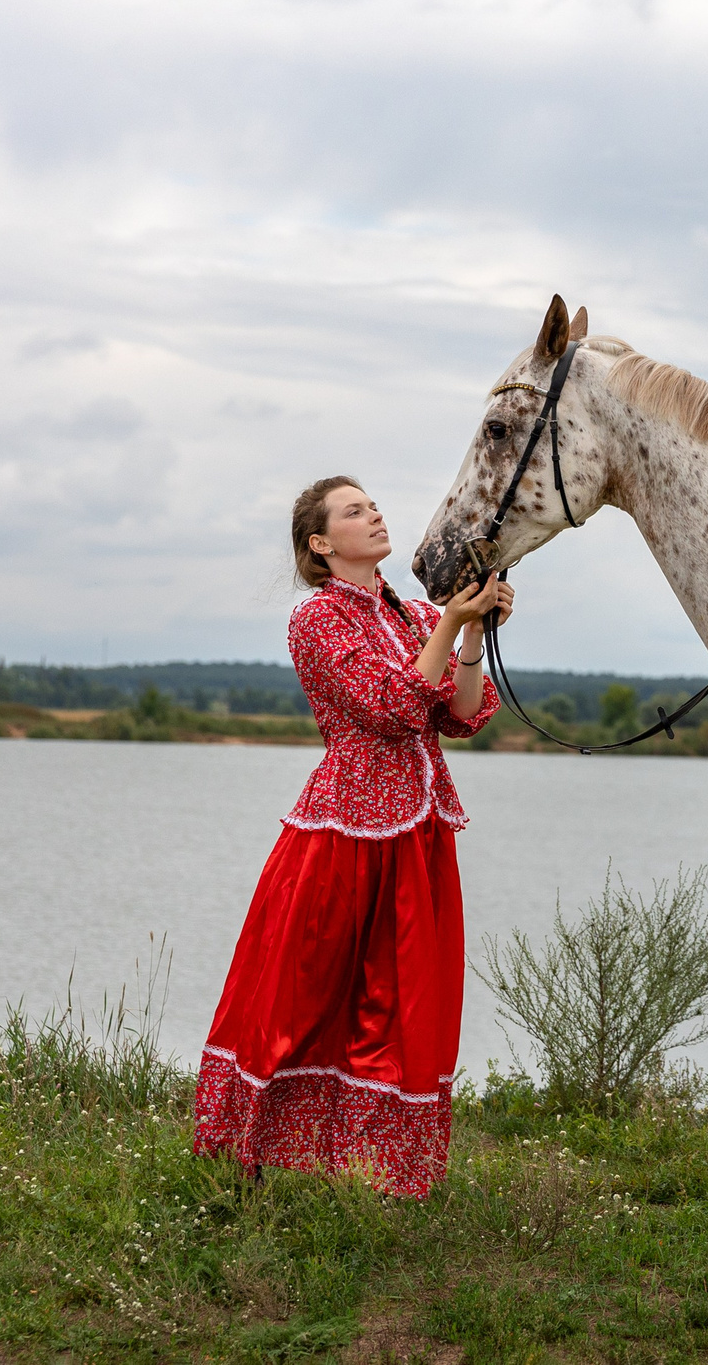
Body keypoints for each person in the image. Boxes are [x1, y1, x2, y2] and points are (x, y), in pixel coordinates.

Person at [193, 475, 512, 1195]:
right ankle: (253, 1151)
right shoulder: (317, 618)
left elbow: (457, 715)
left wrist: (468, 630)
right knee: (304, 995)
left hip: (417, 830)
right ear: (319, 541)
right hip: (342, 831)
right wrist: (446, 622)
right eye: (354, 510)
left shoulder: (406, 615)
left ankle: (376, 1168)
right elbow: (393, 705)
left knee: (404, 1002)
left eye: (372, 504)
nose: (373, 514)